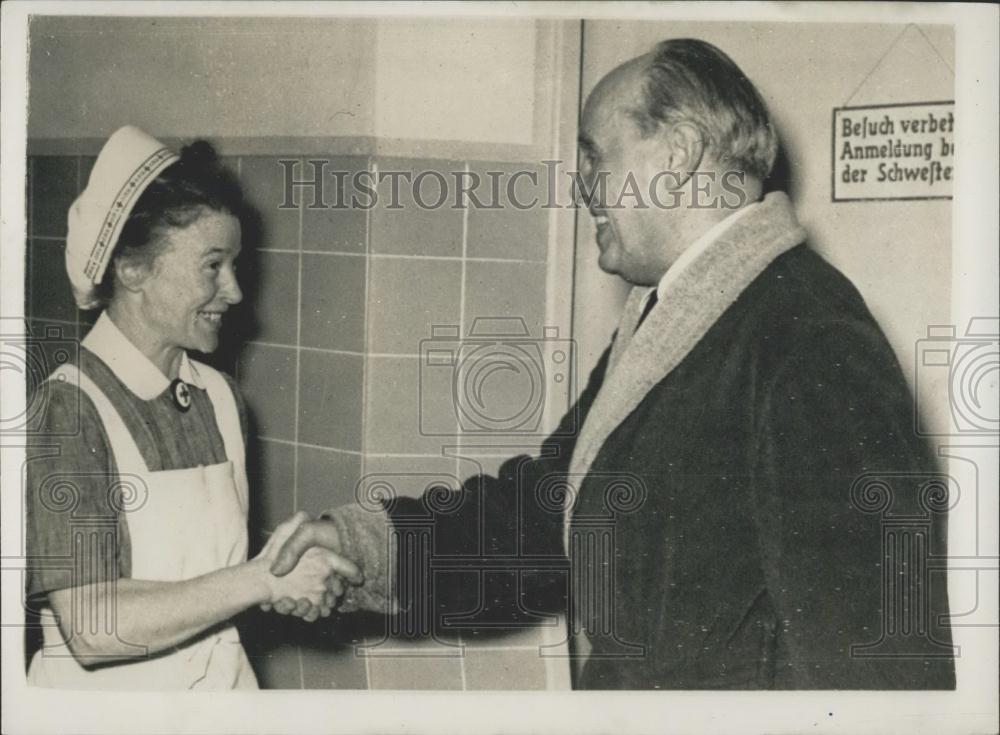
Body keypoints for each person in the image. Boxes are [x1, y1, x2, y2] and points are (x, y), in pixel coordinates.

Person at [268, 39, 955, 689]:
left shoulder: (806, 335)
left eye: (595, 156)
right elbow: (545, 514)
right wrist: (361, 544)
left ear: (679, 154)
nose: (583, 186)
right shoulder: (675, 317)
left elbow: (876, 662)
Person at [24, 126, 360, 690]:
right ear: (133, 271)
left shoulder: (221, 398)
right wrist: (260, 581)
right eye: (212, 265)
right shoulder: (67, 410)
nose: (233, 291)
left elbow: (213, 584)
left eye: (234, 265)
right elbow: (91, 628)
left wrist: (285, 570)